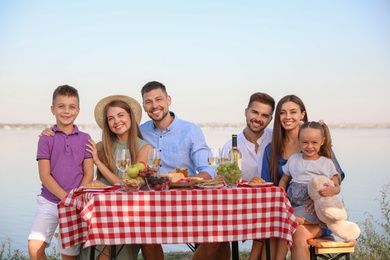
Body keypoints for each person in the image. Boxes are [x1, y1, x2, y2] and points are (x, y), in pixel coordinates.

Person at [40, 95, 164, 260]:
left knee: (107, 252)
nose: (116, 121)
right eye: (110, 118)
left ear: (130, 117)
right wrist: (49, 134)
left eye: (120, 115)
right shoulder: (99, 146)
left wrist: (98, 162)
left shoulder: (145, 148)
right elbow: (69, 153)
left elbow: (126, 184)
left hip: (126, 213)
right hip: (99, 211)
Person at [258, 95, 345, 260]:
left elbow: (337, 177)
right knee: (277, 228)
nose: (288, 117)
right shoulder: (272, 149)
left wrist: (318, 197)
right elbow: (269, 184)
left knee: (293, 233)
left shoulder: (315, 144)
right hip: (285, 211)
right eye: (282, 113)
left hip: (315, 213)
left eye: (293, 112)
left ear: (302, 115)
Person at [28, 85, 94, 260]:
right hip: (49, 203)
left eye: (71, 107)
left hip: (74, 205)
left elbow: (88, 173)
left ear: (78, 111)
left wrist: (75, 198)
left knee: (68, 255)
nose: (66, 111)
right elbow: (45, 175)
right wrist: (67, 199)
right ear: (53, 109)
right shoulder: (46, 138)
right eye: (61, 106)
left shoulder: (85, 138)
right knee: (34, 246)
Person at [139, 81, 214, 180]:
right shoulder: (140, 131)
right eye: (148, 102)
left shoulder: (191, 131)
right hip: (151, 192)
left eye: (158, 99)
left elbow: (208, 171)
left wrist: (182, 180)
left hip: (183, 192)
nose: (154, 106)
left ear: (168, 100)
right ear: (144, 106)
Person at [279, 121, 341, 226]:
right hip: (292, 206)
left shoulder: (325, 163)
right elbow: (284, 180)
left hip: (312, 208)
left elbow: (336, 186)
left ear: (322, 141)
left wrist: (332, 190)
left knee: (288, 222)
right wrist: (281, 197)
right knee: (284, 223)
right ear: (299, 141)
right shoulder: (294, 159)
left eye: (314, 142)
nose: (309, 146)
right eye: (305, 142)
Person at [222, 92, 275, 181]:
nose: (258, 119)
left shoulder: (277, 139)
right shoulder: (229, 148)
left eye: (264, 115)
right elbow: (223, 181)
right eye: (255, 112)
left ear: (270, 119)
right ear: (246, 112)